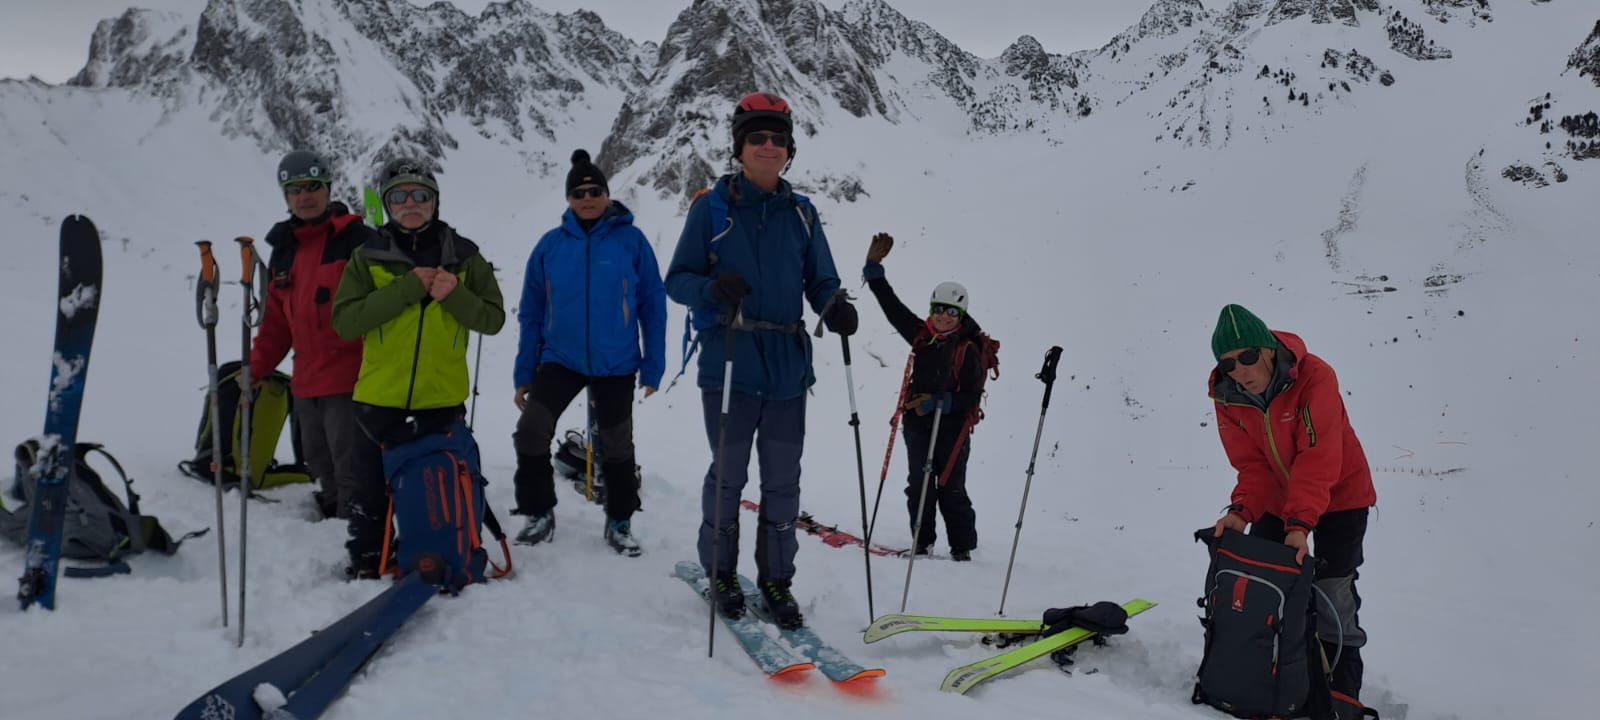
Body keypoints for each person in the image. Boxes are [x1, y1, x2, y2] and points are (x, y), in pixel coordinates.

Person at [664, 91, 858, 629]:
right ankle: (721, 572)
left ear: (789, 150)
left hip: (787, 368)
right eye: (757, 138)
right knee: (728, 475)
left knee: (782, 481)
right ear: (740, 147)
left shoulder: (802, 213)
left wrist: (834, 305)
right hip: (729, 359)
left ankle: (776, 580)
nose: (768, 146)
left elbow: (820, 279)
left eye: (778, 139)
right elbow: (677, 280)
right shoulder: (713, 209)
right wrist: (711, 289)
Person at [1207, 303, 1375, 702]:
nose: (1239, 371)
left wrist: (1299, 525)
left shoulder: (1314, 376)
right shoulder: (1227, 396)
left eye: (1248, 357)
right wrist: (1241, 512)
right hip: (1280, 499)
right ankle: (1273, 681)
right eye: (1228, 364)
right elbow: (1253, 466)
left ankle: (1340, 694)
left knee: (1333, 592)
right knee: (1263, 587)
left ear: (1268, 349)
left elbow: (1319, 457)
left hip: (1341, 496)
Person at [509, 149, 666, 557]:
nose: (587, 198)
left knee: (617, 445)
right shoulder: (550, 246)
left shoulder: (631, 241)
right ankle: (538, 511)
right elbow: (532, 312)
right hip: (561, 358)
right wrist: (524, 373)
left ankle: (620, 521)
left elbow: (653, 304)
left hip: (616, 361)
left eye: (595, 191)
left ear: (607, 194)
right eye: (578, 193)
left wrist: (653, 365)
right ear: (568, 199)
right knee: (531, 431)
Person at [250, 149, 388, 578]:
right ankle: (335, 530)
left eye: (313, 187)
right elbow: (276, 324)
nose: (304, 196)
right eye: (294, 190)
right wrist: (255, 369)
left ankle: (355, 548)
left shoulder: (357, 240)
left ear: (328, 189)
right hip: (306, 381)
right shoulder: (284, 251)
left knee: (352, 469)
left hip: (352, 379)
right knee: (319, 462)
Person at [330, 158, 505, 449]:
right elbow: (346, 323)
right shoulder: (367, 257)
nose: (410, 203)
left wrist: (456, 296)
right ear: (388, 204)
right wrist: (404, 290)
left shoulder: (465, 256)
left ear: (434, 202)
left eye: (421, 195)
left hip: (443, 408)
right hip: (377, 408)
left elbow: (493, 320)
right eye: (399, 196)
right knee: (367, 482)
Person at [859, 233, 983, 561]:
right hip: (918, 423)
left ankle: (962, 548)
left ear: (961, 314)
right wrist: (873, 272)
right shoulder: (921, 336)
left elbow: (972, 397)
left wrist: (943, 403)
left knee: (950, 486)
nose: (944, 316)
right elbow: (893, 309)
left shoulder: (968, 348)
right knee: (919, 484)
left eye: (952, 311)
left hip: (952, 427)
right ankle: (922, 541)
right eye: (939, 309)